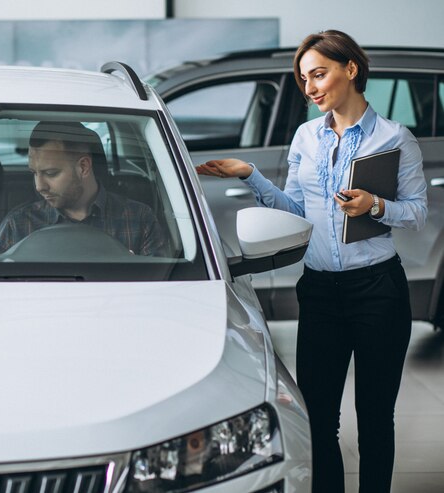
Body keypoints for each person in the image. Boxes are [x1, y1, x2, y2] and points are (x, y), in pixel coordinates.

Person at [196, 30, 427, 493]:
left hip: (379, 291)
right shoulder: (305, 137)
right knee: (319, 418)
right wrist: (251, 175)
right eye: (304, 79)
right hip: (320, 291)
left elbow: (417, 213)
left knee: (376, 417)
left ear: (351, 69)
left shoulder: (395, 138)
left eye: (319, 74)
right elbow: (298, 214)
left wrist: (375, 206)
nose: (311, 88)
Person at [0, 121, 167, 256]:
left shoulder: (139, 219)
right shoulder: (18, 226)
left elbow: (162, 291)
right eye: (34, 173)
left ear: (83, 167)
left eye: (50, 173)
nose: (39, 186)